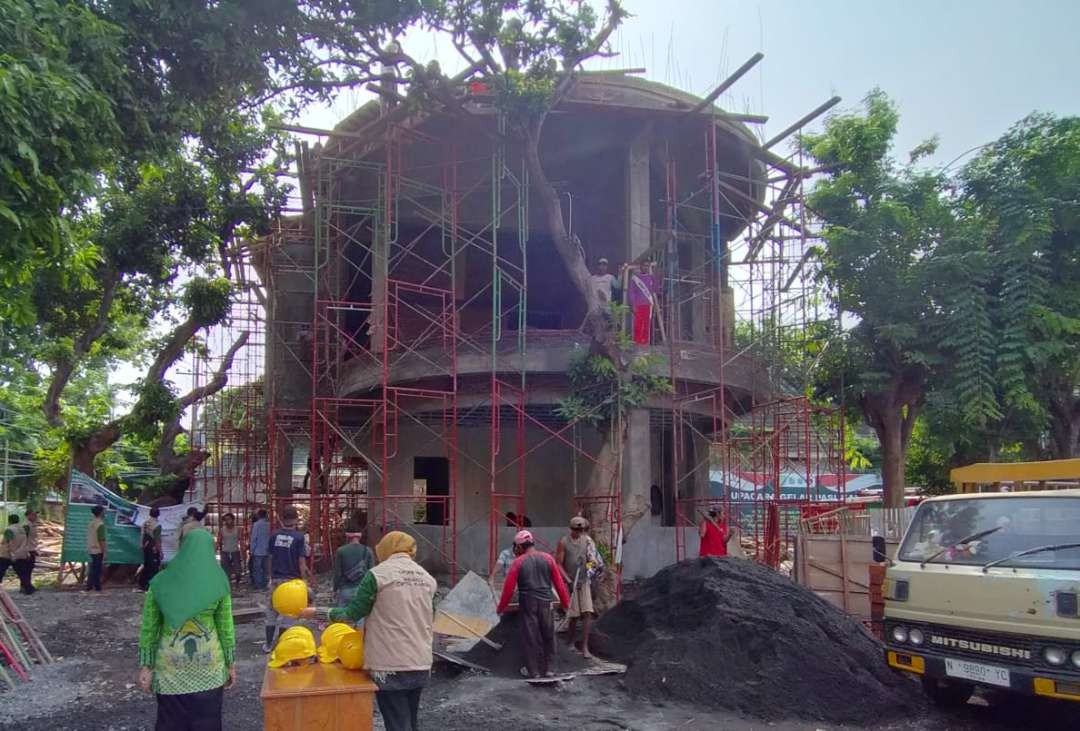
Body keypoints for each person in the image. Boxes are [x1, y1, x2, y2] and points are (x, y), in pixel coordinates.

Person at [301, 531, 437, 731]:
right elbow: (430, 617)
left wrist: (316, 613)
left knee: (397, 723)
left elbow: (351, 614)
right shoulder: (428, 579)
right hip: (421, 661)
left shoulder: (377, 575)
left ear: (385, 549)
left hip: (390, 664)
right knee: (410, 721)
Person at [138, 529, 236, 731]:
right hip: (209, 668)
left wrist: (146, 666)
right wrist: (231, 663)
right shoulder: (219, 582)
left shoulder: (160, 582)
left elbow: (149, 628)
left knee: (170, 723)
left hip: (170, 669)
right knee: (207, 723)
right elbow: (226, 628)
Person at [497, 530, 570, 679]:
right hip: (546, 602)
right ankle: (550, 670)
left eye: (515, 548)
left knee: (530, 637)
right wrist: (565, 604)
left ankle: (534, 672)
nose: (515, 550)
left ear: (519, 547)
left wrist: (501, 607)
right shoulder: (548, 559)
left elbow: (508, 589)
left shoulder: (518, 562)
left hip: (528, 603)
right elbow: (559, 585)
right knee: (549, 635)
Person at [263, 506, 309, 651]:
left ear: (282, 519)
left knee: (271, 613)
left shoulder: (274, 535)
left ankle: (268, 644)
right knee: (287, 615)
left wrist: (270, 576)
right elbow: (301, 562)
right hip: (291, 582)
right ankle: (281, 645)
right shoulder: (299, 537)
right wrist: (304, 581)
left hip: (276, 579)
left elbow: (270, 558)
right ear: (296, 519)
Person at [555, 516, 598, 658]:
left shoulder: (587, 541)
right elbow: (558, 564)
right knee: (573, 615)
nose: (579, 532)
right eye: (576, 529)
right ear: (571, 529)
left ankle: (585, 647)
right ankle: (570, 642)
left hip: (584, 580)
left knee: (587, 613)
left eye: (581, 529)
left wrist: (588, 565)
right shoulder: (564, 542)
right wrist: (567, 580)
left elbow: (594, 560)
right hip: (570, 582)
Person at [331, 530, 375, 607]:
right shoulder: (368, 550)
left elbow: (337, 573)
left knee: (342, 616)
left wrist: (335, 589)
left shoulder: (341, 551)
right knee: (360, 616)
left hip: (345, 590)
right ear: (360, 536)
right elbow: (372, 572)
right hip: (362, 591)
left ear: (347, 536)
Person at [1, 514, 35, 594]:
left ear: (9, 521)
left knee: (1, 570)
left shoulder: (9, 530)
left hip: (7, 555)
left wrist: (11, 553)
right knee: (22, 573)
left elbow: (9, 543)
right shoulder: (23, 529)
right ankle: (28, 588)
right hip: (21, 554)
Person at [628, 260, 657, 345]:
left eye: (647, 266)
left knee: (647, 326)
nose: (646, 267)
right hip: (638, 305)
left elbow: (655, 289)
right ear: (640, 267)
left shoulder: (650, 277)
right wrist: (633, 304)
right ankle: (637, 343)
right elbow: (631, 292)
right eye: (644, 265)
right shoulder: (635, 278)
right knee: (638, 326)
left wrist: (654, 277)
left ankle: (645, 344)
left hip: (648, 305)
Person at [139, 508, 164, 591]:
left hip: (145, 547)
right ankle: (150, 585)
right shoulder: (157, 525)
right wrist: (160, 551)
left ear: (150, 513)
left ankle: (142, 583)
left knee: (146, 565)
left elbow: (142, 535)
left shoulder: (145, 523)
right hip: (153, 548)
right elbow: (157, 540)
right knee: (153, 567)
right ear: (158, 514)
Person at [217, 513, 242, 585]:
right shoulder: (222, 530)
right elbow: (219, 541)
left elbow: (241, 541)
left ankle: (237, 581)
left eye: (229, 519)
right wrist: (214, 550)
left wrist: (243, 552)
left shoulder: (238, 529)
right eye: (226, 520)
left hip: (235, 551)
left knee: (238, 570)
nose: (227, 521)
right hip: (225, 552)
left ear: (233, 520)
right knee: (225, 570)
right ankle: (227, 584)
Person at [86, 505, 107, 592]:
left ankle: (89, 586)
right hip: (98, 549)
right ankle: (97, 587)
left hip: (91, 548)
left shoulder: (91, 523)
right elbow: (101, 539)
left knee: (93, 567)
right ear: (101, 512)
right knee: (97, 569)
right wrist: (104, 552)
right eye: (103, 511)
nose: (104, 512)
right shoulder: (100, 524)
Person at [249, 509, 270, 590]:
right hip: (267, 550)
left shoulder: (256, 525)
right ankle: (265, 584)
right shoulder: (269, 524)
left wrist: (251, 550)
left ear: (258, 515)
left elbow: (254, 538)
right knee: (265, 569)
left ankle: (259, 585)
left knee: (257, 569)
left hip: (257, 551)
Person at [25, 509, 39, 578]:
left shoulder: (33, 524)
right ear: (28, 516)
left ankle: (28, 585)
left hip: (32, 549)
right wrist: (26, 551)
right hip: (28, 551)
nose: (36, 516)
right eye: (33, 515)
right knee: (27, 569)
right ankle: (26, 586)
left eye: (36, 515)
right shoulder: (26, 525)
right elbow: (24, 538)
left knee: (30, 568)